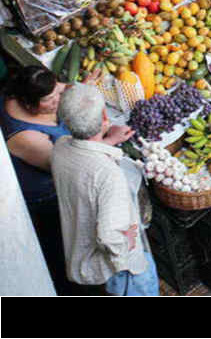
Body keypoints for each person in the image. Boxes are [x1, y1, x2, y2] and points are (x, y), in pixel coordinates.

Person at [50, 84, 156, 296]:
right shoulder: (108, 175)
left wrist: (110, 141)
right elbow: (109, 236)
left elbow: (86, 155)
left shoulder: (60, 147)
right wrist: (126, 240)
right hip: (122, 272)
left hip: (85, 260)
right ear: (104, 116)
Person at [1, 65, 74, 294]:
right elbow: (64, 166)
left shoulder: (19, 93)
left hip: (55, 178)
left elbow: (60, 88)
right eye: (50, 100)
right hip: (44, 198)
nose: (56, 100)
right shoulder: (26, 138)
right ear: (30, 104)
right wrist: (105, 141)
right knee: (58, 248)